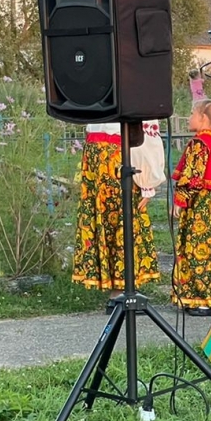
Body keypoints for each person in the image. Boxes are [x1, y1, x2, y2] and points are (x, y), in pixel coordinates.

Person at [71, 122, 162, 299]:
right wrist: (148, 181)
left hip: (107, 156)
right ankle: (121, 290)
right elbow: (144, 128)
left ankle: (120, 289)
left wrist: (148, 180)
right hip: (113, 155)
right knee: (121, 217)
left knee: (119, 218)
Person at [171, 99, 211, 314]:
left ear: (203, 118)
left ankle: (202, 298)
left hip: (202, 208)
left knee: (199, 248)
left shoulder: (199, 144)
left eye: (192, 113)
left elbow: (193, 177)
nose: (189, 117)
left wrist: (180, 200)